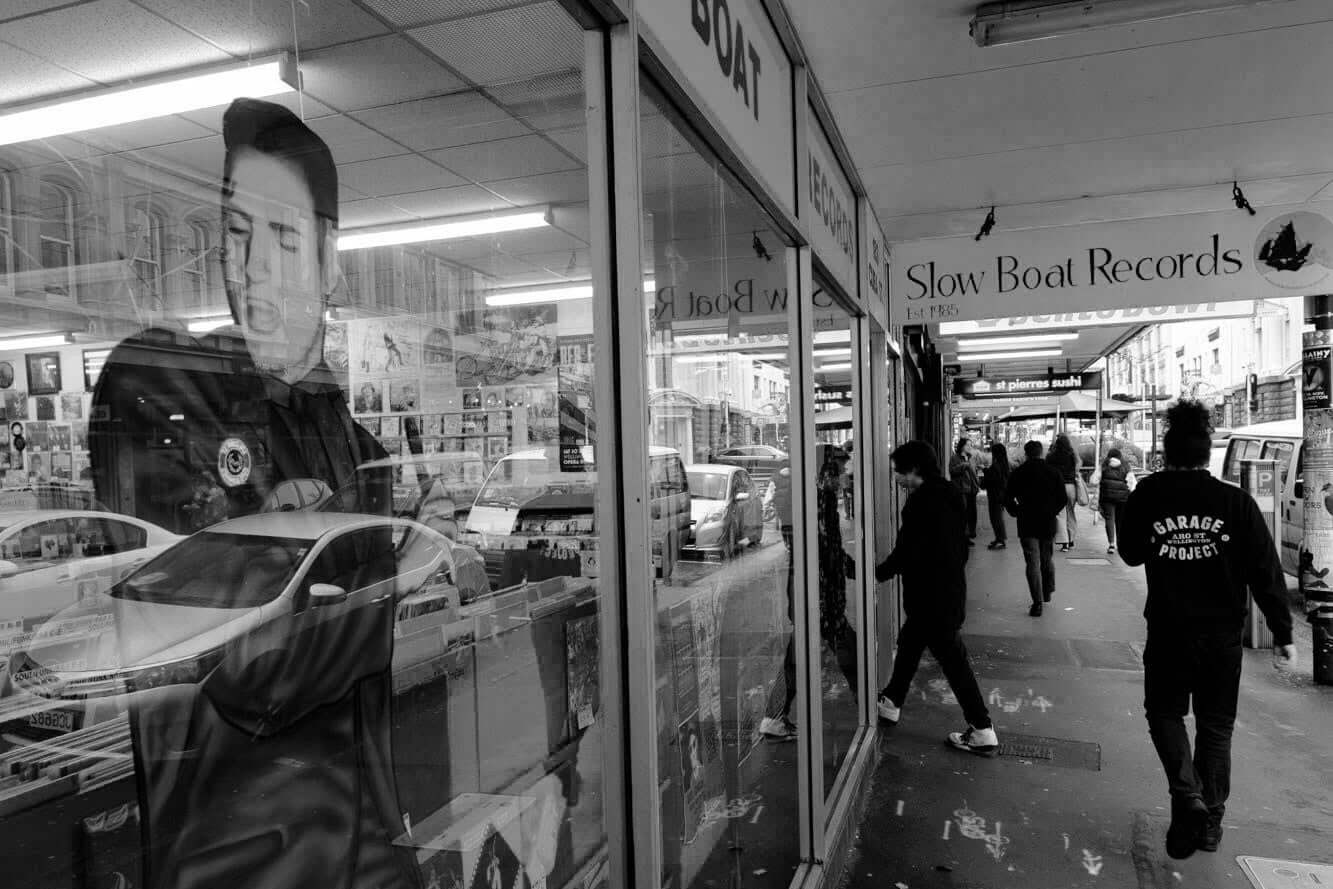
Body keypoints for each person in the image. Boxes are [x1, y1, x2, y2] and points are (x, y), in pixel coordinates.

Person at [90, 98, 414, 889]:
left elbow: (339, 642)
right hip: (235, 859)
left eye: (283, 237)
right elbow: (257, 668)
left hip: (364, 845)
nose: (252, 266)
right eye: (237, 234)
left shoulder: (351, 439)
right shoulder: (160, 387)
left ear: (330, 260)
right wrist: (378, 559)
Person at [1118, 400, 1296, 859]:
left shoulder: (1148, 495)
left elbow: (1131, 554)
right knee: (1216, 727)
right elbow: (1265, 570)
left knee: (1164, 713)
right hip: (1221, 637)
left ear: (1166, 451)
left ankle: (1186, 794)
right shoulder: (1235, 501)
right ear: (1205, 455)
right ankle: (1211, 821)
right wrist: (1284, 633)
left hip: (1169, 631)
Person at [874, 440, 998, 756]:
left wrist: (875, 574)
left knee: (954, 662)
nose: (896, 479)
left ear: (913, 469)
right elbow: (961, 542)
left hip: (932, 598)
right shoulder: (950, 493)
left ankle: (982, 729)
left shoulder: (919, 503)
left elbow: (907, 552)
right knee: (910, 644)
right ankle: (891, 701)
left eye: (898, 472)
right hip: (948, 592)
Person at [761, 448, 860, 741]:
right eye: (840, 471)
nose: (844, 477)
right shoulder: (812, 502)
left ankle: (773, 718)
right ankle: (870, 706)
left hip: (815, 591)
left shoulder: (817, 499)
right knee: (848, 650)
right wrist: (857, 570)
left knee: (799, 657)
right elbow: (822, 549)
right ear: (825, 472)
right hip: (818, 593)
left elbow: (827, 549)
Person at [1005, 440, 1067, 616]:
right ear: (1041, 452)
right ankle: (1047, 591)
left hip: (1027, 522)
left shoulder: (1019, 473)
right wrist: (1051, 511)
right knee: (1046, 559)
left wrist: (1016, 512)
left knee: (1032, 562)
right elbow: (1062, 498)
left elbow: (1008, 497)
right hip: (1047, 523)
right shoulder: (1053, 472)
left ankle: (1037, 603)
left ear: (1026, 454)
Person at [1093, 447, 1135, 555]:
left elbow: (1093, 480)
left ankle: (1111, 544)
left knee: (1109, 519)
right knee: (1120, 521)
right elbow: (1132, 483)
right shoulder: (1126, 465)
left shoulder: (1104, 465)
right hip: (1122, 498)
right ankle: (1120, 544)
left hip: (1107, 497)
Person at [1047, 433, 1080, 551]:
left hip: (1058, 487)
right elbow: (1079, 463)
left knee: (1060, 514)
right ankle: (1071, 540)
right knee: (1071, 513)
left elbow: (1047, 470)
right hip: (1071, 487)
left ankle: (1064, 542)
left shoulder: (1051, 456)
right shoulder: (1072, 455)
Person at [949, 437, 980, 544]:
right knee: (964, 513)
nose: (970, 447)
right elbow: (952, 471)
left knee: (972, 513)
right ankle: (964, 537)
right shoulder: (955, 458)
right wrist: (963, 465)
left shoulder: (971, 458)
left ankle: (971, 532)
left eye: (971, 445)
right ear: (962, 446)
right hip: (962, 489)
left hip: (972, 489)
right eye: (967, 445)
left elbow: (974, 473)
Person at [981, 442, 1010, 550]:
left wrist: (985, 470)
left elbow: (992, 479)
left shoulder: (996, 465)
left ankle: (1001, 540)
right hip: (1000, 495)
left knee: (996, 518)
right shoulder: (1003, 464)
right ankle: (999, 539)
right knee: (997, 517)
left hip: (995, 495)